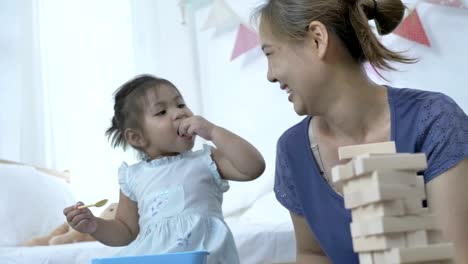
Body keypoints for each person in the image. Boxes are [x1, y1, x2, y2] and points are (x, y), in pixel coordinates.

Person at [252, 0, 468, 263]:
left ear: (317, 40)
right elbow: (313, 253)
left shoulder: (435, 120)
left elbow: (457, 254)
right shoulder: (292, 149)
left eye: (270, 53)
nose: (269, 76)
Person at [63, 75, 265, 264]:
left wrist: (212, 132)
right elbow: (125, 230)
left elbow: (253, 167)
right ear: (137, 138)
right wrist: (95, 226)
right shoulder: (133, 177)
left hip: (206, 257)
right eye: (162, 112)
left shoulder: (206, 160)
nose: (179, 113)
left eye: (180, 104)